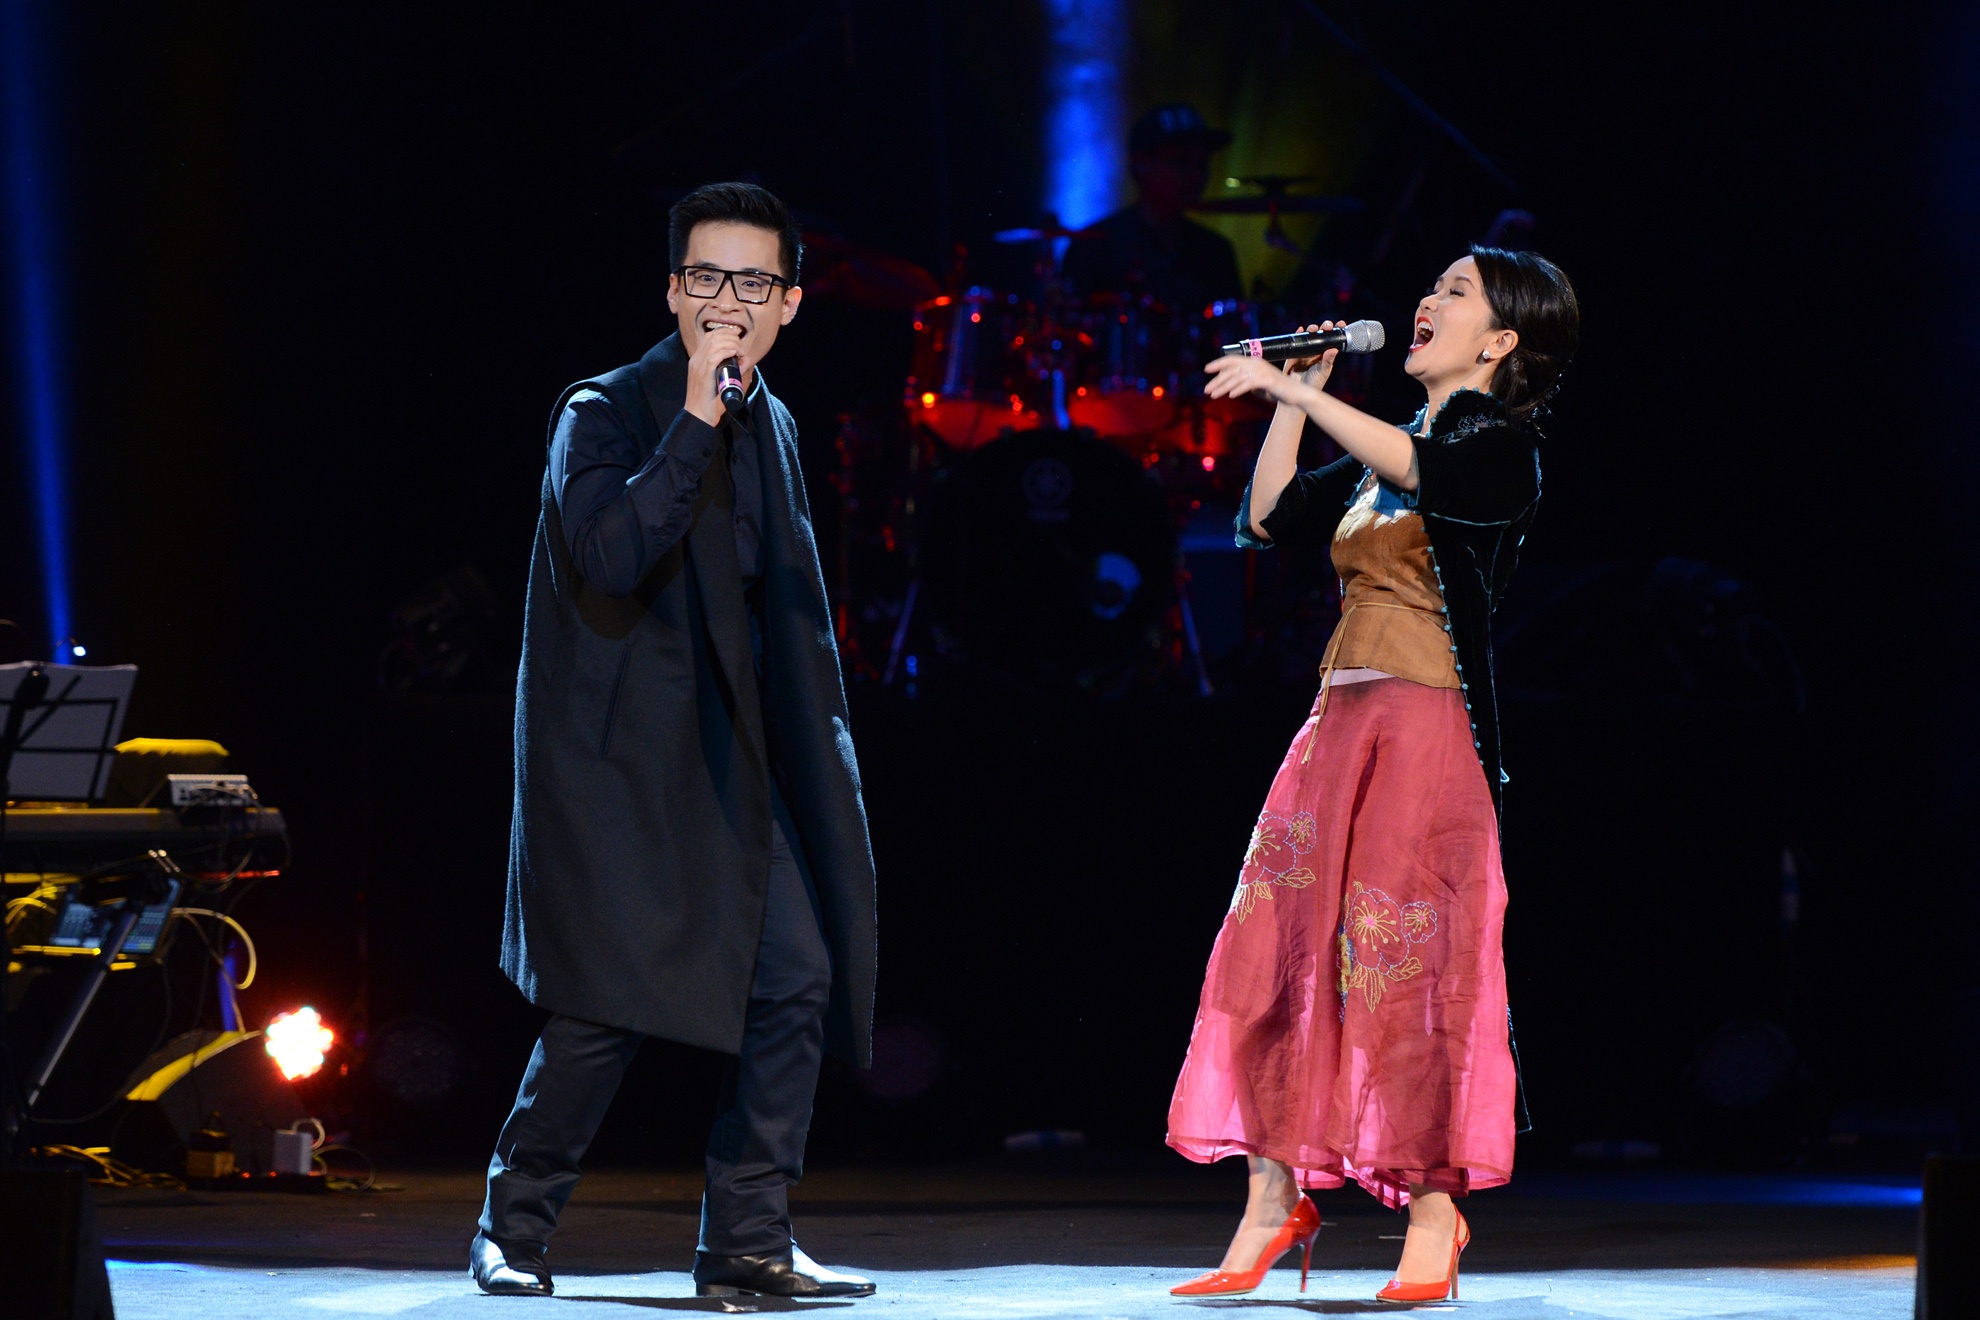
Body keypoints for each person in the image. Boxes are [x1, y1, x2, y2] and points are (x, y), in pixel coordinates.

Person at [471, 181, 879, 1302]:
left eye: (753, 282)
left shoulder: (776, 423)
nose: (726, 302)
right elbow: (608, 558)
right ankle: (513, 1225)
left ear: (789, 303)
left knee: (795, 976)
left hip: (731, 750)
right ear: (670, 289)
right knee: (610, 1002)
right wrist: (694, 420)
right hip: (620, 758)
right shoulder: (602, 411)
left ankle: (747, 1236)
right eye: (706, 277)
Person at [1167, 248, 1580, 1302]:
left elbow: (1428, 472)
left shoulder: (1503, 449)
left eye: (1455, 292)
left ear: (1500, 341)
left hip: (1425, 734)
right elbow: (1267, 519)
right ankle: (1272, 1201)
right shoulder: (1379, 456)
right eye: (1432, 286)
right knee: (1275, 953)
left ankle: (1436, 1217)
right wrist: (1293, 399)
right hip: (1337, 730)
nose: (1426, 302)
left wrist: (1311, 396)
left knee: (1406, 967)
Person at [1060, 103, 1244, 313]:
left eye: (1202, 164)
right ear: (1140, 164)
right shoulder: (1094, 248)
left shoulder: (1216, 252)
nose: (1196, 175)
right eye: (1180, 162)